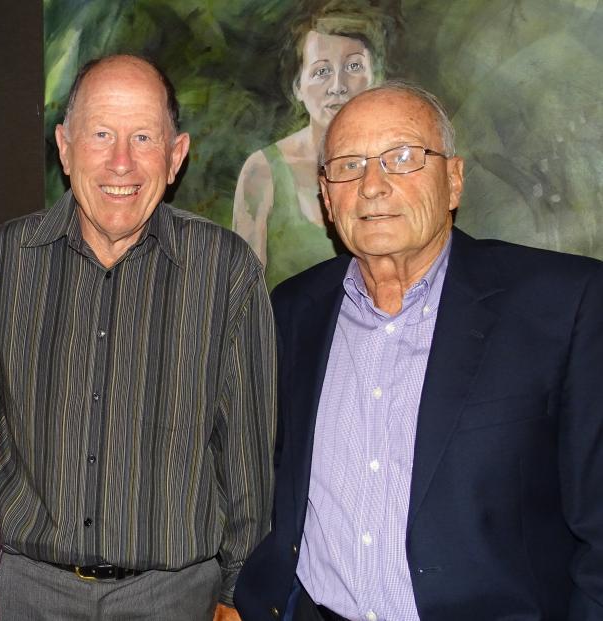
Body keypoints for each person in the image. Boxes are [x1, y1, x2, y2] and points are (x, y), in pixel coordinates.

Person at [234, 81, 603, 620]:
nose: (373, 186)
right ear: (327, 197)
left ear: (453, 180)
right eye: (349, 165)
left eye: (403, 158)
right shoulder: (291, 310)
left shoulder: (563, 305)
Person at [0, 55, 275, 620]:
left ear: (176, 155)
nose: (121, 162)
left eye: (143, 137)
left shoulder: (227, 271)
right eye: (101, 134)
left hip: (174, 597)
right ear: (64, 146)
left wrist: (239, 592)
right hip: (25, 591)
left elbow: (248, 459)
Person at [232, 0, 398, 289]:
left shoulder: (395, 166)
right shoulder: (264, 171)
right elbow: (240, 294)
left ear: (375, 79)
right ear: (298, 86)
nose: (338, 85)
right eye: (322, 71)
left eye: (354, 66)